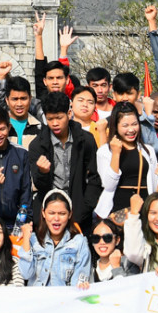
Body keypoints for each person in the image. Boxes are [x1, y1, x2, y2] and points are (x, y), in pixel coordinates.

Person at [29, 92, 102, 233]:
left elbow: (94, 177)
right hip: (49, 216)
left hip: (80, 213)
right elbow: (40, 185)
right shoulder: (37, 145)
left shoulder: (85, 140)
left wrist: (86, 207)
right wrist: (42, 172)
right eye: (50, 119)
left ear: (69, 114)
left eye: (59, 118)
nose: (55, 123)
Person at [18, 191, 91, 287]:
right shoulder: (33, 239)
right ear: (43, 213)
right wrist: (27, 239)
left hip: (64, 300)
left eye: (62, 213)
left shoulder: (79, 242)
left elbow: (79, 282)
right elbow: (26, 273)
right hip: (37, 299)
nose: (56, 218)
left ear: (69, 214)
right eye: (51, 213)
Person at [95, 104, 152, 221]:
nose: (131, 130)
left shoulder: (147, 150)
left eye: (135, 124)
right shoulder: (105, 151)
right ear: (116, 126)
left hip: (144, 207)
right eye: (125, 125)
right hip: (116, 209)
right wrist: (116, 153)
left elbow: (154, 184)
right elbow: (108, 185)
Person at [87, 218, 132, 282]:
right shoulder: (88, 268)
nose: (102, 242)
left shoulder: (128, 263)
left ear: (117, 240)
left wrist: (117, 267)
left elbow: (129, 289)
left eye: (107, 238)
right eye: (96, 238)